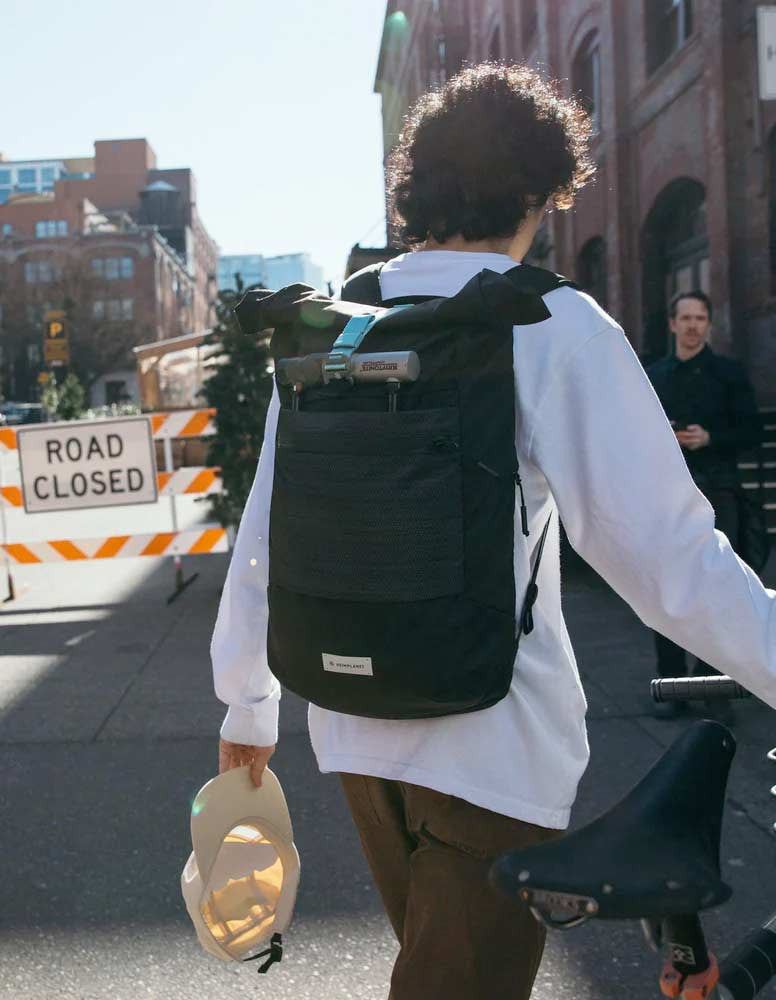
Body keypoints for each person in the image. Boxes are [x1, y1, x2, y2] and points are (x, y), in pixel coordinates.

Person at [210, 63, 776, 1000]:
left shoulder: (340, 321)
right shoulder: (548, 319)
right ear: (539, 191)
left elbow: (265, 522)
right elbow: (671, 560)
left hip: (349, 724)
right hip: (491, 739)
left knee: (436, 972)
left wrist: (247, 704)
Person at [645, 291, 763, 717]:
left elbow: (752, 432)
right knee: (667, 593)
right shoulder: (653, 376)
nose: (694, 325)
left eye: (701, 318)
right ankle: (671, 686)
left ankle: (712, 689)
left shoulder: (729, 374)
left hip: (720, 492)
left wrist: (711, 438)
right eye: (686, 318)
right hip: (668, 495)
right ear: (673, 324)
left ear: (708, 324)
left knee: (718, 592)